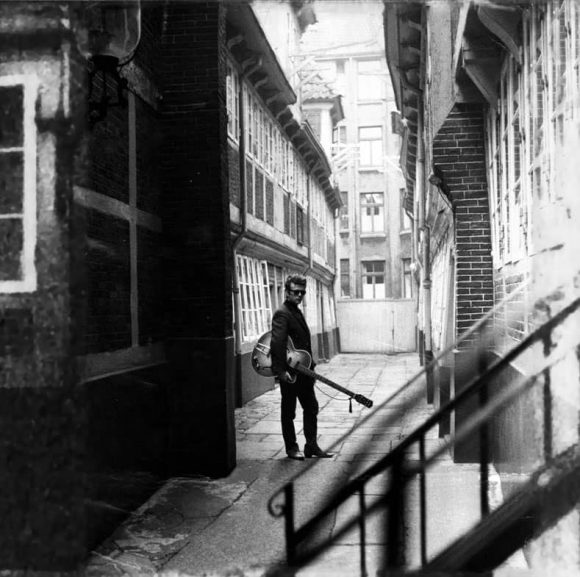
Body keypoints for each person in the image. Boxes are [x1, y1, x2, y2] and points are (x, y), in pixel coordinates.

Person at [270, 274, 333, 460]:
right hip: (290, 373)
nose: (299, 296)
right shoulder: (282, 313)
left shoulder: (296, 311)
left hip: (304, 371)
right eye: (296, 292)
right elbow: (277, 343)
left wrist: (311, 367)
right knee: (288, 411)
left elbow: (300, 343)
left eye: (302, 293)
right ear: (287, 292)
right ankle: (291, 448)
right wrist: (280, 371)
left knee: (311, 407)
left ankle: (311, 446)